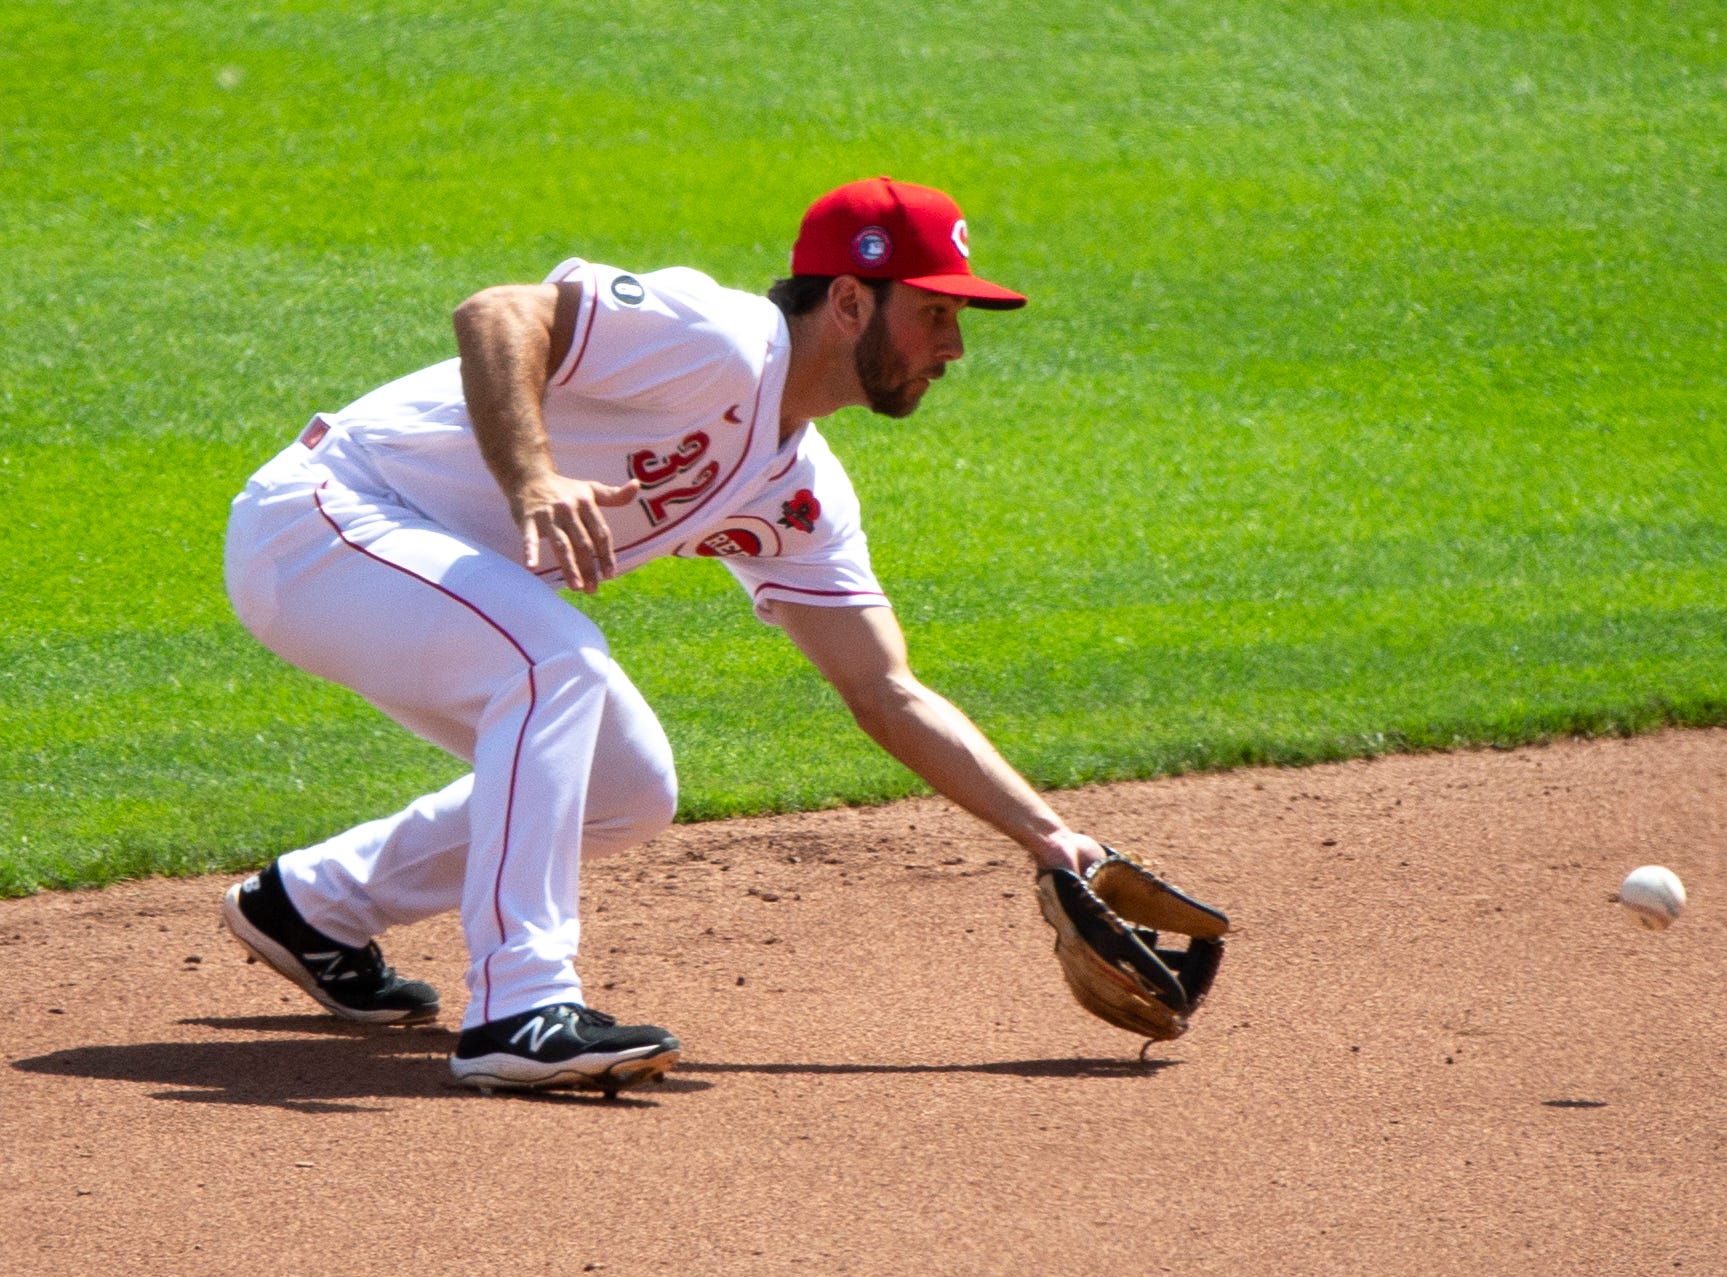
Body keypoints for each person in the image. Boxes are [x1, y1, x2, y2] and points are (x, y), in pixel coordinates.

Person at [220, 177, 1109, 1093]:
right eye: (934, 313)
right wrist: (533, 478)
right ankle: (518, 1005)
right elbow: (497, 311)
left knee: (625, 788)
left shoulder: (801, 491)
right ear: (850, 300)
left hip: (391, 565)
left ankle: (311, 906)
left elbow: (885, 688)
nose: (954, 347)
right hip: (319, 521)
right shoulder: (718, 340)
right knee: (553, 661)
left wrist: (1053, 838)